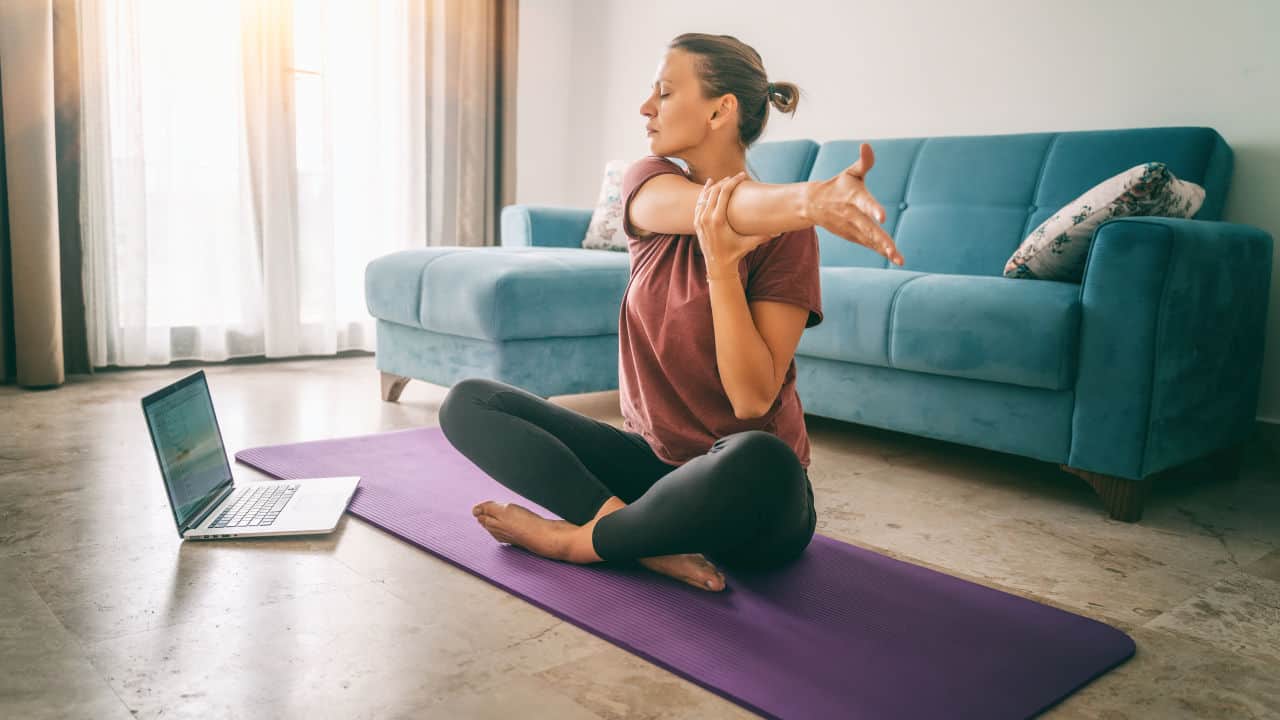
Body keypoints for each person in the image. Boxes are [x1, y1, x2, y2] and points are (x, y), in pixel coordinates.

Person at [438, 32, 903, 593]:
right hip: (652, 469)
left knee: (762, 457)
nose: (645, 108)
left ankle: (579, 542)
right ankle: (632, 534)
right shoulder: (649, 181)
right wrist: (809, 200)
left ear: (719, 110)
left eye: (663, 92)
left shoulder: (788, 239)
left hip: (744, 496)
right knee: (469, 402)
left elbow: (752, 399)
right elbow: (716, 208)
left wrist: (724, 269)